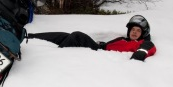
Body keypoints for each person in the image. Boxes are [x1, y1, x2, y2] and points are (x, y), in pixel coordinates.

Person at [27, 15, 156, 61]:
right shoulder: (124, 39)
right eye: (133, 29)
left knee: (77, 35)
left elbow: (149, 48)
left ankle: (52, 57)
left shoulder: (144, 42)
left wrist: (140, 54)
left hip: (100, 53)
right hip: (99, 47)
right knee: (66, 35)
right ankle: (31, 36)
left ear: (143, 33)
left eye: (138, 30)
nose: (134, 32)